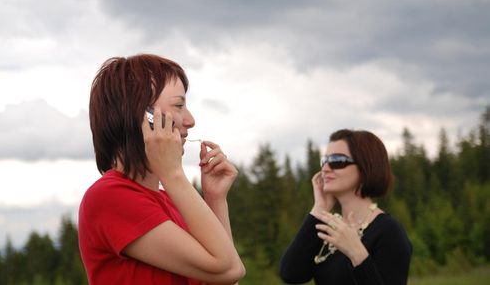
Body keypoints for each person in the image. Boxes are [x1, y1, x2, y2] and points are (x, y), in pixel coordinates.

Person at [78, 54, 246, 284]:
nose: (190, 120)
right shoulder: (109, 197)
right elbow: (228, 269)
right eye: (179, 106)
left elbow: (226, 278)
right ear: (143, 117)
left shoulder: (169, 202)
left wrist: (216, 200)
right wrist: (172, 173)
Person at [279, 129, 412, 285]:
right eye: (324, 161)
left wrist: (357, 253)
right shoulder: (332, 230)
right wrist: (320, 207)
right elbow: (291, 273)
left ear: (365, 166)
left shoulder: (389, 231)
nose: (326, 169)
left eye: (337, 161)